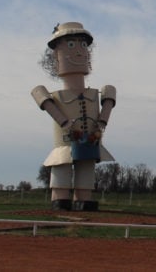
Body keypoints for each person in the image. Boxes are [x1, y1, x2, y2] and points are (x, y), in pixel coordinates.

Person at [31, 22, 116, 211]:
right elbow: (39, 96)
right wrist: (65, 122)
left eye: (83, 45)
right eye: (70, 45)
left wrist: (102, 121)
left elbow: (107, 105)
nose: (79, 51)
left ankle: (83, 198)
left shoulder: (96, 94)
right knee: (61, 165)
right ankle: (60, 198)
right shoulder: (54, 96)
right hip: (65, 142)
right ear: (56, 56)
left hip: (91, 141)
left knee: (86, 169)